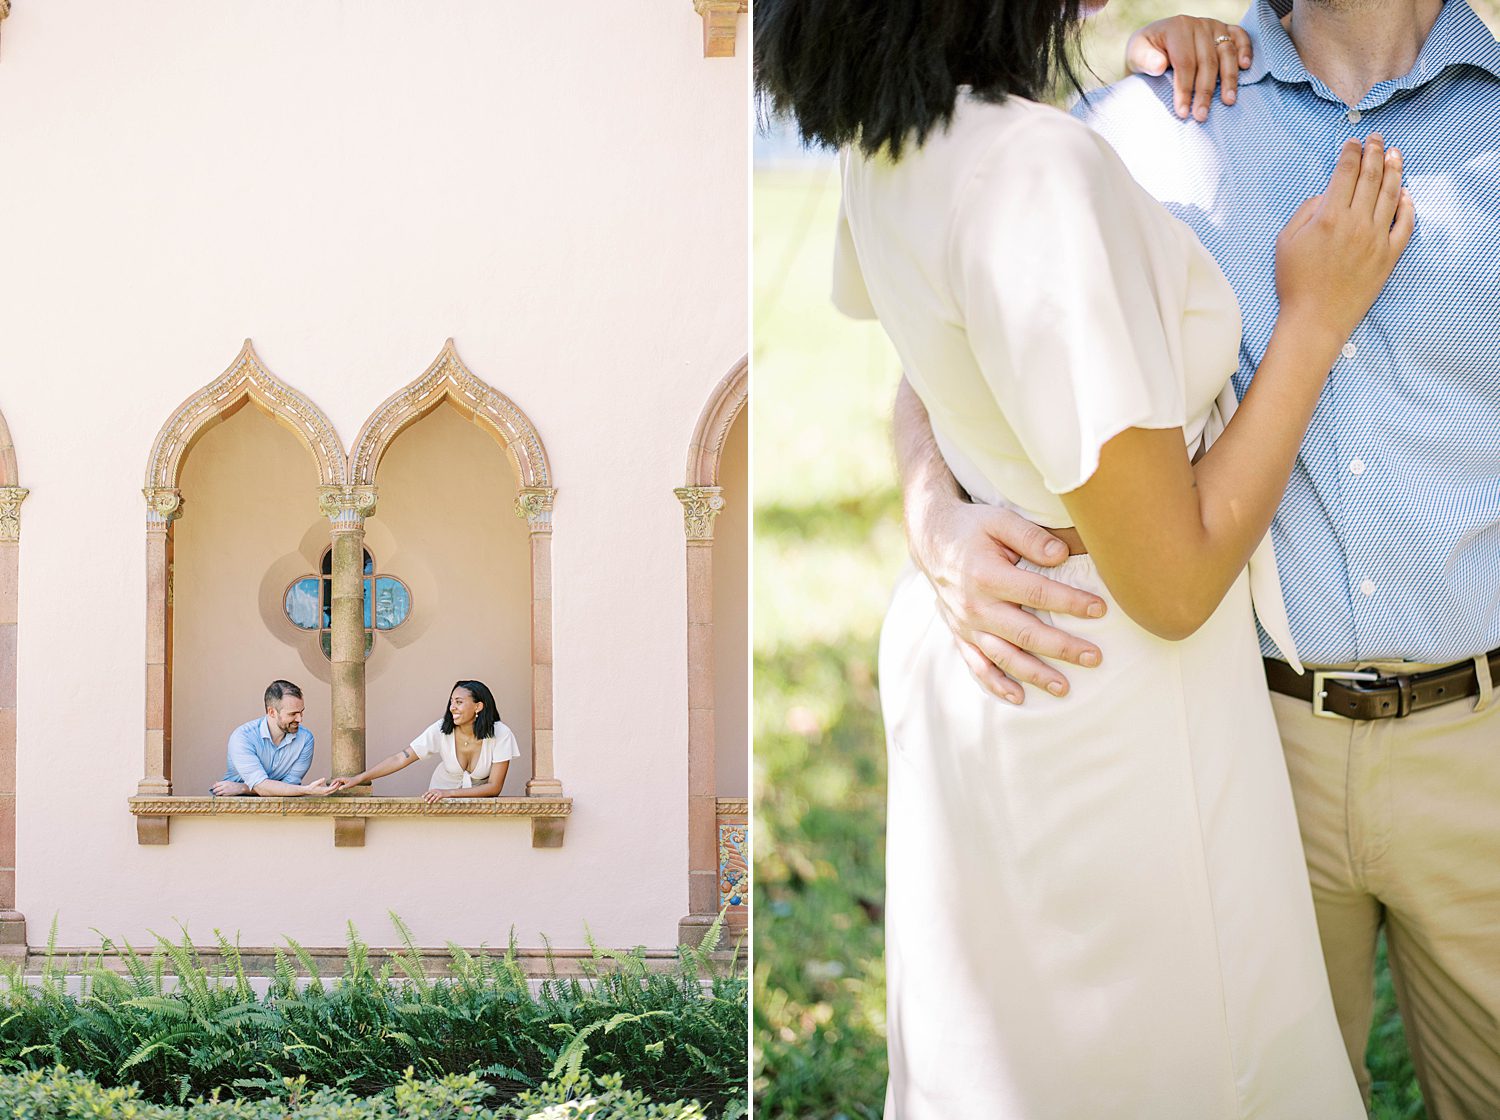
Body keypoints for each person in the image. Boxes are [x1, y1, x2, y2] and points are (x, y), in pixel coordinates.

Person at [757, 0, 1414, 1114]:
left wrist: (933, 512)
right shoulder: (1036, 177)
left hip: (993, 673)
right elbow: (1173, 578)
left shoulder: (900, 133)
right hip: (1105, 694)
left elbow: (931, 364)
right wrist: (1313, 320)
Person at [893, 1, 1500, 1112]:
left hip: (1484, 750)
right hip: (1244, 750)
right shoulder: (1145, 122)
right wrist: (931, 511)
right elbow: (949, 348)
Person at [330, 680, 519, 802]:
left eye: (459, 702)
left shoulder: (501, 734)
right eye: (451, 701)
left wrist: (449, 794)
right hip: (438, 800)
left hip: (469, 802)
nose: (452, 707)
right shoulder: (441, 729)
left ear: (478, 706)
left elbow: (494, 787)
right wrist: (358, 778)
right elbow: (401, 758)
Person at [211, 680, 334, 797]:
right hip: (232, 806)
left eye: (301, 712)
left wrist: (242, 788)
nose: (300, 719)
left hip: (278, 807)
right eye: (292, 714)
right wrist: (306, 790)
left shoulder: (306, 740)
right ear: (271, 712)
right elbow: (267, 788)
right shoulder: (243, 737)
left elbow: (289, 786)